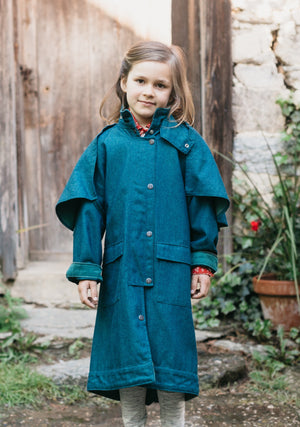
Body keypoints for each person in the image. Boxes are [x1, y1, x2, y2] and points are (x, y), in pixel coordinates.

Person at [56, 41, 229, 427]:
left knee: (172, 359)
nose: (149, 91)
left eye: (160, 85)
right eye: (140, 81)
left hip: (171, 270)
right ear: (124, 82)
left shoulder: (185, 143)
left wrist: (202, 262)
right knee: (128, 359)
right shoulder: (106, 145)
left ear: (173, 92)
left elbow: (203, 202)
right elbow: (87, 205)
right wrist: (87, 267)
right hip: (123, 270)